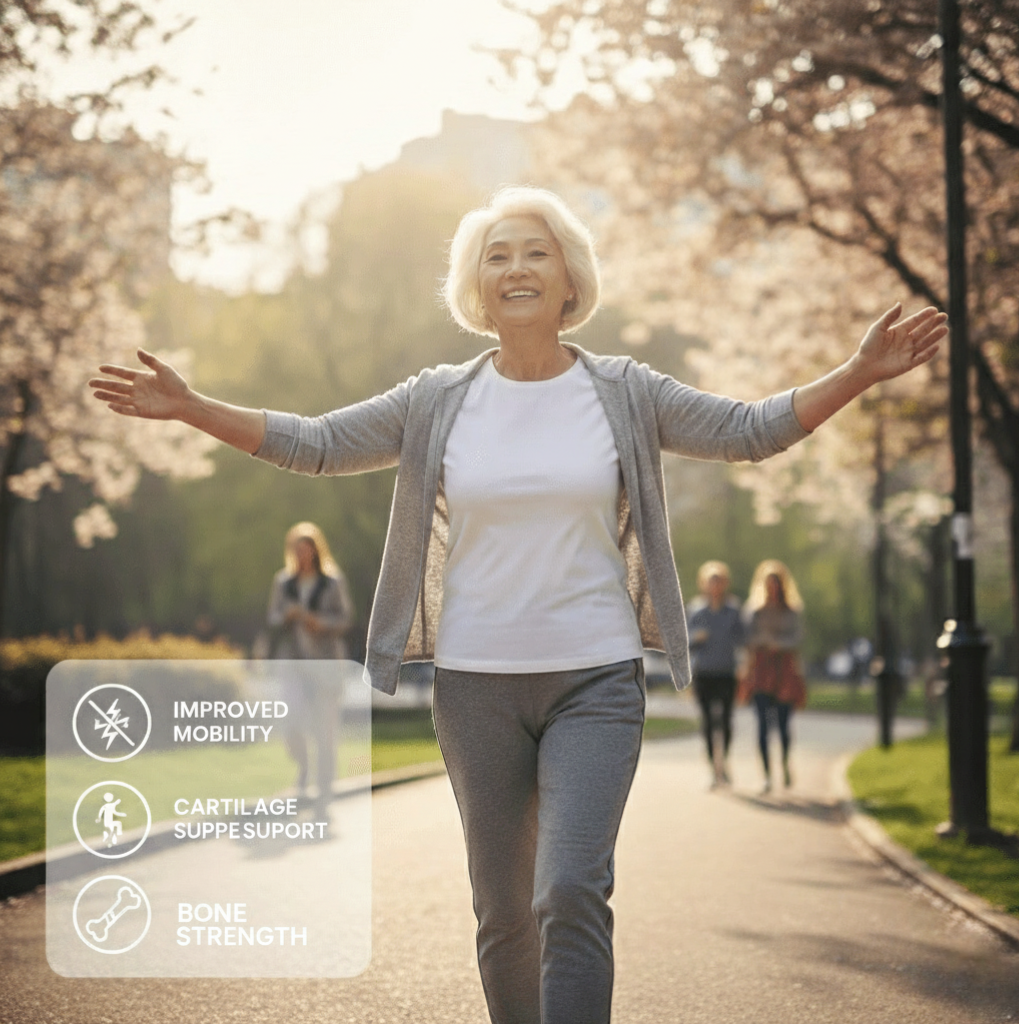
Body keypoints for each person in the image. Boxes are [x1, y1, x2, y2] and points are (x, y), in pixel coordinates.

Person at [89, 185, 946, 1024]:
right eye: (496, 256)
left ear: (570, 278)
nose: (517, 267)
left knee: (570, 890)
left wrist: (861, 371)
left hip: (595, 680)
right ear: (476, 286)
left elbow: (750, 430)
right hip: (475, 684)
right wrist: (194, 408)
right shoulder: (436, 400)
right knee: (502, 914)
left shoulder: (626, 392)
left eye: (537, 251)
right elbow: (316, 445)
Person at [266, 521, 355, 806]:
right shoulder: (283, 582)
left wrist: (321, 623)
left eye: (307, 549)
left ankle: (324, 790)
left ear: (316, 551)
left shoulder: (332, 582)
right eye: (297, 549)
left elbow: (345, 620)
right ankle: (304, 768)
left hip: (326, 665)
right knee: (290, 723)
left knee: (324, 731)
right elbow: (272, 618)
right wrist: (288, 616)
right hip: (294, 665)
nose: (303, 555)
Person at [741, 559, 806, 794]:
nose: (772, 588)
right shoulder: (754, 612)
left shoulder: (792, 611)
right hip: (760, 671)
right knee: (762, 726)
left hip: (784, 672)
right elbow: (746, 639)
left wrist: (779, 644)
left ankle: (786, 763)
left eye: (776, 583)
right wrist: (763, 643)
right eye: (768, 583)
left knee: (783, 724)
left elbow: (798, 638)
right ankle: (767, 776)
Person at [687, 560, 745, 789]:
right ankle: (714, 768)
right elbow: (686, 642)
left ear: (725, 583)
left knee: (727, 721)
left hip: (727, 672)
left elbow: (743, 639)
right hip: (703, 673)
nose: (715, 585)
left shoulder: (733, 611)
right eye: (711, 581)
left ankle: (725, 759)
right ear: (704, 584)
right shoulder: (696, 610)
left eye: (719, 581)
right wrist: (695, 638)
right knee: (708, 722)